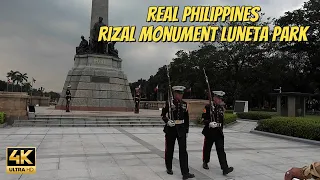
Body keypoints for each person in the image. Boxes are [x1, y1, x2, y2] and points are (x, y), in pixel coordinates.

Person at [161, 86, 195, 180]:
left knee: (183, 151)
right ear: (175, 93)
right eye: (178, 93)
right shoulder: (169, 103)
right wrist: (167, 121)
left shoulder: (184, 104)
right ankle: (169, 167)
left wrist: (187, 130)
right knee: (170, 149)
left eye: (181, 93)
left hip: (181, 129)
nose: (180, 95)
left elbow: (186, 118)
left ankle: (185, 173)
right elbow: (163, 115)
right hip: (171, 129)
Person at [201, 91, 233, 175]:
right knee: (207, 148)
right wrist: (209, 123)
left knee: (221, 150)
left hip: (218, 132)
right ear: (214, 98)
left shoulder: (221, 108)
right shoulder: (208, 107)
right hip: (210, 132)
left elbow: (221, 121)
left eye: (220, 98)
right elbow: (202, 119)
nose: (219, 100)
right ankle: (205, 161)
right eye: (218, 98)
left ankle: (225, 168)